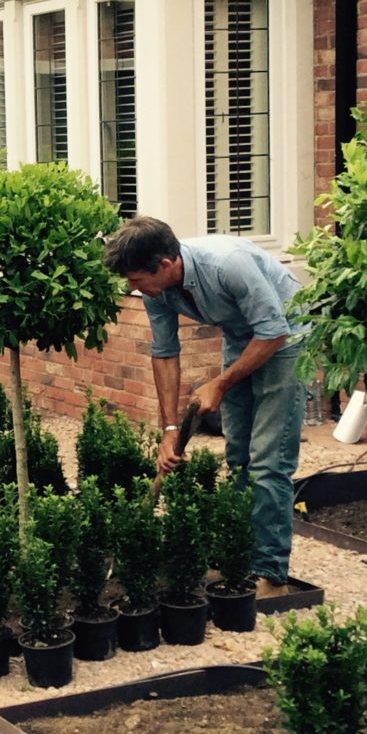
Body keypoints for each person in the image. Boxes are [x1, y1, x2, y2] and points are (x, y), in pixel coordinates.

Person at [102, 216, 306, 599]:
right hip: (241, 336)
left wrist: (221, 382)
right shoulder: (156, 290)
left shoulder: (227, 265)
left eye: (135, 279)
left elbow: (273, 330)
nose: (132, 288)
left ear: (164, 266)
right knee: (238, 454)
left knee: (268, 459)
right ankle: (241, 557)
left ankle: (271, 574)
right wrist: (169, 431)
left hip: (285, 336)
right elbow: (164, 352)